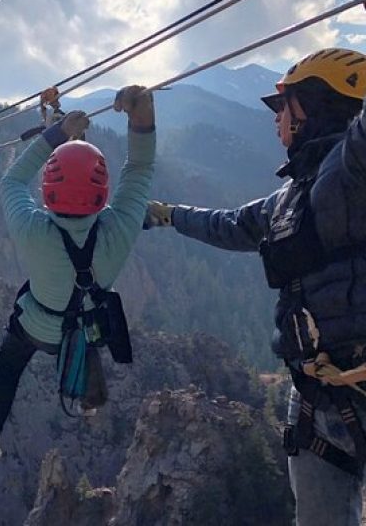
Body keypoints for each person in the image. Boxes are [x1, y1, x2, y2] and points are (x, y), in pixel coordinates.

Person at [144, 48, 366, 525]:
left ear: (314, 103)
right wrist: (170, 216)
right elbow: (230, 225)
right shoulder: (290, 196)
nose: (275, 120)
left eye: (281, 107)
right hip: (314, 390)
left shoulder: (352, 170)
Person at [0, 85, 156, 458]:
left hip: (35, 326)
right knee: (83, 329)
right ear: (102, 192)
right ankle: (89, 400)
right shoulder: (118, 231)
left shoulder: (33, 229)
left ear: (48, 190)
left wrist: (55, 134)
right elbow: (139, 168)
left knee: (9, 364)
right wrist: (142, 115)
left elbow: (11, 181)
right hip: (83, 328)